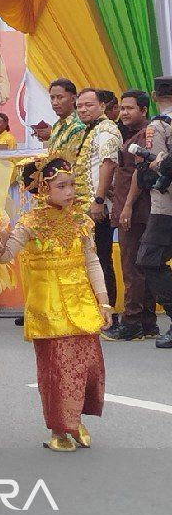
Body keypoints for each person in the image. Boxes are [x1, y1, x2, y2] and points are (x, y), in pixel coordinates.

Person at [0, 154, 108, 451]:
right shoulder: (30, 223)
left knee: (86, 367)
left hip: (82, 305)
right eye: (61, 186)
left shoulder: (81, 220)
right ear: (44, 189)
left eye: (71, 185)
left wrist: (104, 303)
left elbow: (92, 261)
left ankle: (75, 420)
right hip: (48, 309)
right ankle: (59, 430)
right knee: (57, 371)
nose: (69, 192)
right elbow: (6, 256)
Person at [105, 91, 163, 341]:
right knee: (143, 265)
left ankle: (131, 321)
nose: (124, 113)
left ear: (143, 109)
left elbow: (140, 174)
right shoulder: (131, 135)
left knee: (132, 266)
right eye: (122, 108)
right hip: (135, 208)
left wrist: (126, 206)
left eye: (130, 108)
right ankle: (148, 322)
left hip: (137, 210)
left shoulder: (145, 135)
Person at [74, 88, 123, 329]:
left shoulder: (106, 129)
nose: (83, 109)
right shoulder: (91, 130)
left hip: (97, 207)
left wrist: (99, 199)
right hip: (86, 207)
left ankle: (109, 315)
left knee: (101, 259)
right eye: (80, 106)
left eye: (89, 105)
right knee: (91, 258)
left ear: (102, 106)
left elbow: (108, 164)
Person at [137, 76, 172, 349]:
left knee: (149, 260)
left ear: (152, 95)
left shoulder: (159, 125)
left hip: (166, 207)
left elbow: (157, 164)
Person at [36, 79, 85, 152]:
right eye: (52, 98)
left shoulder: (79, 126)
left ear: (73, 99)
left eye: (60, 97)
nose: (54, 103)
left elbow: (69, 159)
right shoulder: (57, 125)